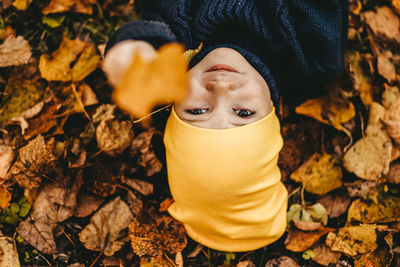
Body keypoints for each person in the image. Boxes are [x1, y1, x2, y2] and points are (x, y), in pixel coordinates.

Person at [103, 0, 348, 253]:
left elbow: (152, 29)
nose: (220, 87)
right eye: (243, 112)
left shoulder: (176, 49)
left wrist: (133, 51)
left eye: (197, 111)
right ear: (273, 114)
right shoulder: (314, 60)